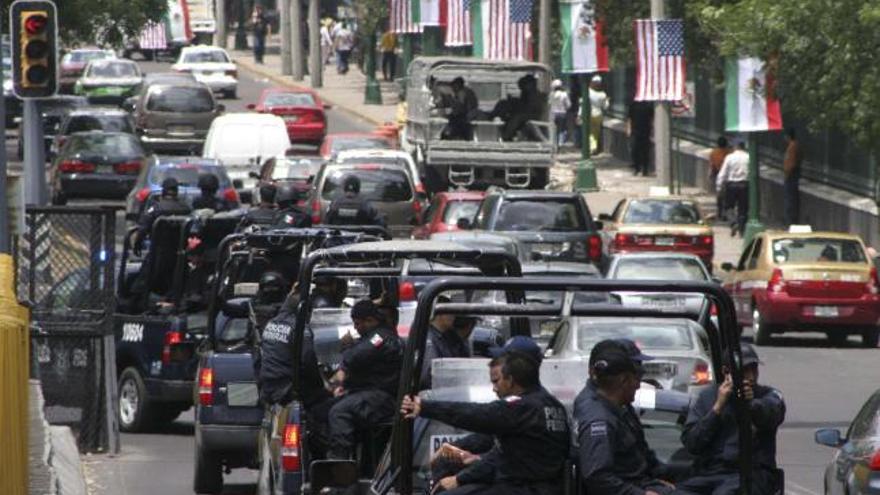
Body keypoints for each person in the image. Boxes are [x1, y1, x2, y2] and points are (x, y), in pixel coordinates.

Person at [401, 337, 570, 494]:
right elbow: (496, 442)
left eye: (497, 381)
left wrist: (424, 407)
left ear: (512, 377)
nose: (494, 388)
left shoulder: (523, 406)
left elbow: (480, 415)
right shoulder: (549, 403)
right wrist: (461, 451)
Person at [678, 344, 785, 495]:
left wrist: (750, 404)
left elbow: (771, 413)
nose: (751, 377)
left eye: (754, 369)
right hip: (711, 472)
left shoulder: (768, 395)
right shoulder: (707, 397)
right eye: (744, 371)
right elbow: (692, 442)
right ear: (726, 373)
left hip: (751, 474)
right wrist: (717, 408)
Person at [575, 338, 676, 495]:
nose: (638, 383)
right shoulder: (598, 418)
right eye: (636, 375)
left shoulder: (618, 406)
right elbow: (597, 477)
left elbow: (640, 460)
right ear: (624, 379)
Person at [258, 288, 336, 457]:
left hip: (271, 388)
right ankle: (329, 455)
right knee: (333, 406)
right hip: (288, 389)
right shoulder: (300, 329)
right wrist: (323, 388)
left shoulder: (271, 324)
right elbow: (308, 362)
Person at [327, 299, 402, 459]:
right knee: (323, 408)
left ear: (370, 320)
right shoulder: (371, 337)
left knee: (340, 412)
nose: (355, 328)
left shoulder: (380, 337)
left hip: (383, 396)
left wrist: (347, 346)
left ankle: (339, 464)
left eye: (358, 323)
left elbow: (355, 357)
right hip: (368, 393)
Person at [419, 296, 471, 390]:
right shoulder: (429, 338)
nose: (453, 317)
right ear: (439, 314)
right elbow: (427, 375)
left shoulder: (447, 337)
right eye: (450, 313)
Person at [135, 177, 191, 254]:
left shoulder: (156, 208)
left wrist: (137, 244)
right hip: (180, 255)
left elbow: (143, 228)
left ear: (163, 191)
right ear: (177, 191)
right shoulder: (186, 209)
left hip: (158, 254)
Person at [716, 141, 750, 237]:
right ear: (744, 148)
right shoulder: (748, 157)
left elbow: (723, 173)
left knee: (728, 207)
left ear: (736, 147)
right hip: (744, 184)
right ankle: (742, 230)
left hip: (731, 185)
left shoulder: (729, 157)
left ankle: (733, 223)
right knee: (743, 209)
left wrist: (719, 187)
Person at [442, 77, 479, 141]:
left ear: (458, 85)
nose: (452, 88)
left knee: (448, 130)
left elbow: (459, 107)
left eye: (453, 86)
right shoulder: (465, 91)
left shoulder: (462, 92)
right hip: (466, 117)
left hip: (464, 119)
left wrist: (450, 100)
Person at [708, 136, 732, 221]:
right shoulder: (729, 153)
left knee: (719, 196)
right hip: (728, 176)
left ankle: (720, 213)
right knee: (727, 196)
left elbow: (712, 166)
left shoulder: (713, 153)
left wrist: (711, 176)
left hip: (718, 175)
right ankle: (726, 213)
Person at [627, 100, 654, 176]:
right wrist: (629, 129)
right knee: (635, 150)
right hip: (635, 130)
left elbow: (651, 118)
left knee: (645, 151)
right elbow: (629, 117)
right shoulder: (633, 105)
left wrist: (652, 130)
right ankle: (637, 168)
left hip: (645, 131)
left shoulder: (648, 105)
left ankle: (645, 169)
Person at [783, 127, 803, 227]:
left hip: (791, 177)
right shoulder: (794, 146)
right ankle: (791, 221)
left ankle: (790, 222)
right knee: (791, 200)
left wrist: (787, 173)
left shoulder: (793, 147)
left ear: (788, 136)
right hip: (792, 176)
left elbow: (791, 163)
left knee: (790, 201)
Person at [588, 75, 609, 154]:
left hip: (589, 113)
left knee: (590, 132)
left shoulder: (588, 91)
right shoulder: (603, 94)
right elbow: (605, 106)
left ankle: (592, 147)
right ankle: (594, 147)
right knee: (596, 132)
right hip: (598, 114)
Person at [550, 79, 571, 146]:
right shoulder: (564, 94)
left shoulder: (551, 94)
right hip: (562, 113)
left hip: (553, 113)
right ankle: (560, 143)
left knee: (554, 128)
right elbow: (568, 105)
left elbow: (549, 103)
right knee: (562, 129)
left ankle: (553, 142)